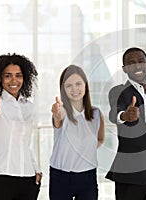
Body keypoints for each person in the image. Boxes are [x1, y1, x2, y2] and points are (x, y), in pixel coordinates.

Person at [105, 47, 146, 200]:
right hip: (130, 173)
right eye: (131, 63)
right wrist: (125, 116)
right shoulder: (118, 91)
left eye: (141, 61)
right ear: (124, 69)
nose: (137, 66)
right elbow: (114, 114)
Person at [0, 53, 42, 200]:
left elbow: (26, 143)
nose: (14, 80)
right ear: (0, 78)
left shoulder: (29, 107)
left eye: (18, 75)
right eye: (8, 76)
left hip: (27, 177)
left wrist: (36, 168)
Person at [49, 65, 105, 200]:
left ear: (85, 85)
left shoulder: (96, 114)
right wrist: (56, 112)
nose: (74, 89)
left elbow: (100, 139)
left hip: (88, 176)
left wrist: (82, 149)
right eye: (68, 86)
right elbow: (58, 117)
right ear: (63, 89)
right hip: (60, 177)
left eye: (78, 84)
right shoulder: (61, 112)